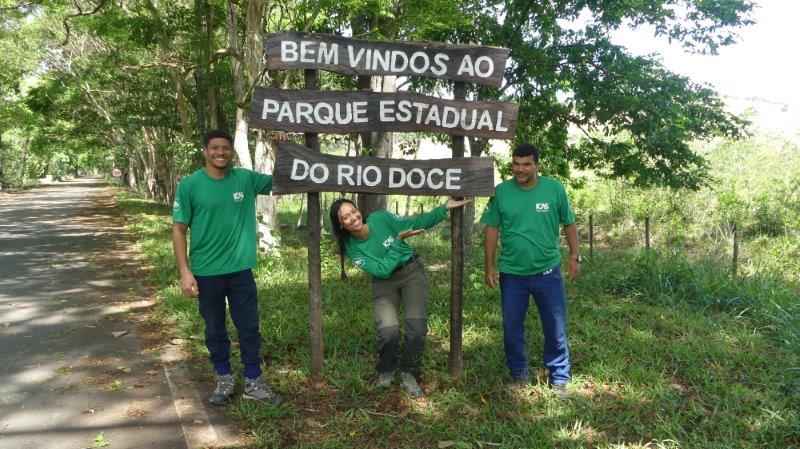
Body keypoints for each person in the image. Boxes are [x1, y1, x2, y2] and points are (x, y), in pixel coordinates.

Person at [171, 129, 283, 406]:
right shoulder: (189, 185)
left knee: (249, 327)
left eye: (225, 148)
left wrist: (281, 150)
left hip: (240, 270)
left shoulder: (244, 178)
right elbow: (179, 229)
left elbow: (283, 182)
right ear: (205, 151)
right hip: (206, 272)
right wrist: (185, 272)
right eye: (214, 148)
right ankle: (224, 378)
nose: (220, 152)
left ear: (231, 151)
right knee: (215, 328)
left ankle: (254, 382)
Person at [329, 198, 469, 398]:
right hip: (384, 281)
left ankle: (409, 373)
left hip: (411, 271)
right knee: (388, 332)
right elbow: (382, 270)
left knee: (417, 329)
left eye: (353, 211)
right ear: (341, 224)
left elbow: (414, 224)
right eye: (346, 217)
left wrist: (443, 208)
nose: (353, 217)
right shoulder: (351, 247)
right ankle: (386, 370)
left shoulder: (381, 218)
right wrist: (397, 242)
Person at [480, 143, 581, 397]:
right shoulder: (501, 192)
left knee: (555, 326)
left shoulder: (555, 189)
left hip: (548, 273)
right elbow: (491, 229)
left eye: (526, 164)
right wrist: (489, 264)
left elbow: (569, 223)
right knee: (512, 327)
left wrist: (575, 256)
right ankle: (519, 375)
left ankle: (559, 378)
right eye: (516, 163)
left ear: (537, 165)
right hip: (512, 275)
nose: (520, 169)